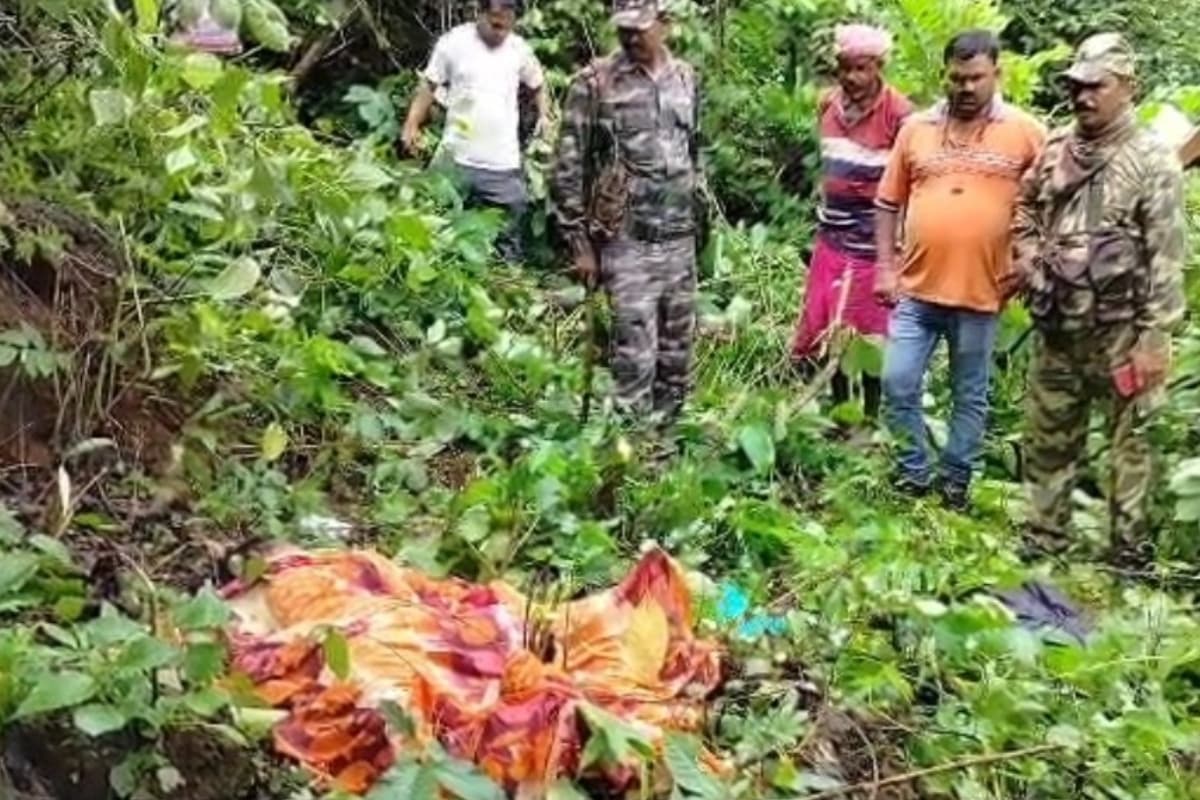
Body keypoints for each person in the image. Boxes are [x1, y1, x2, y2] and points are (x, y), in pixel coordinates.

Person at [1012, 33, 1187, 568]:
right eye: (1075, 86)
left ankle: (1126, 556)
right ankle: (1045, 540)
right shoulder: (1058, 146)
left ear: (1127, 87)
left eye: (1096, 87)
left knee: (1130, 448)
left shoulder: (1153, 159)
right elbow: (1025, 207)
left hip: (1121, 334)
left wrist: (1155, 338)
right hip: (1059, 326)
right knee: (1048, 439)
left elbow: (1166, 253)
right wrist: (1025, 254)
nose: (1083, 96)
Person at [874, 30, 1045, 509]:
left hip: (982, 293)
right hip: (917, 290)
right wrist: (885, 268)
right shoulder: (917, 129)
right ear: (944, 76)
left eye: (976, 78)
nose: (966, 88)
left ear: (997, 74)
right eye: (957, 78)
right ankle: (912, 472)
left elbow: (1056, 199)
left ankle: (954, 484)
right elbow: (888, 202)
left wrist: (1032, 258)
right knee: (897, 381)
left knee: (969, 394)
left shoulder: (1026, 132)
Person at [552, 0, 704, 420]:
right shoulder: (595, 83)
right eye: (624, 28)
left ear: (666, 24)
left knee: (676, 360)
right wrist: (580, 244)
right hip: (626, 242)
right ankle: (627, 460)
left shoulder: (686, 79)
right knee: (633, 359)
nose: (630, 36)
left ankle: (667, 455)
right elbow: (567, 167)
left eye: (640, 27)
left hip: (679, 240)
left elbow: (694, 154)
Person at [791, 24, 912, 421]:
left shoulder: (900, 113)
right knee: (832, 331)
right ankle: (841, 411)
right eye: (844, 68)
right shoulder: (828, 105)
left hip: (874, 244)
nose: (851, 78)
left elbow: (908, 181)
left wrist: (895, 253)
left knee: (873, 335)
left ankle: (872, 417)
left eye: (861, 69)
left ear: (878, 66)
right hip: (832, 239)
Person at [401, 0, 549, 264]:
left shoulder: (519, 49)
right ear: (479, 12)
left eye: (507, 21)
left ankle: (506, 292)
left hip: (502, 165)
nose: (501, 27)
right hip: (456, 160)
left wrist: (544, 115)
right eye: (495, 22)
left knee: (508, 241)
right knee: (440, 234)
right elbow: (429, 85)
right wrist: (411, 125)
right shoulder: (454, 43)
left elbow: (538, 83)